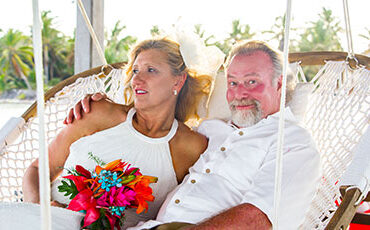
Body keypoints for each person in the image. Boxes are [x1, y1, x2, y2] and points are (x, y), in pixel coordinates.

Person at [67, 40, 320, 230]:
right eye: (232, 83)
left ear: (279, 84)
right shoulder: (212, 130)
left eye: (252, 82)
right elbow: (157, 131)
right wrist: (107, 108)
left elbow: (258, 218)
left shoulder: (293, 142)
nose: (240, 93)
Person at [19, 37, 224, 229]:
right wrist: (40, 209)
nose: (137, 80)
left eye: (151, 70)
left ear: (178, 82)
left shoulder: (190, 147)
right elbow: (37, 169)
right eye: (135, 71)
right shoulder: (98, 113)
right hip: (45, 221)